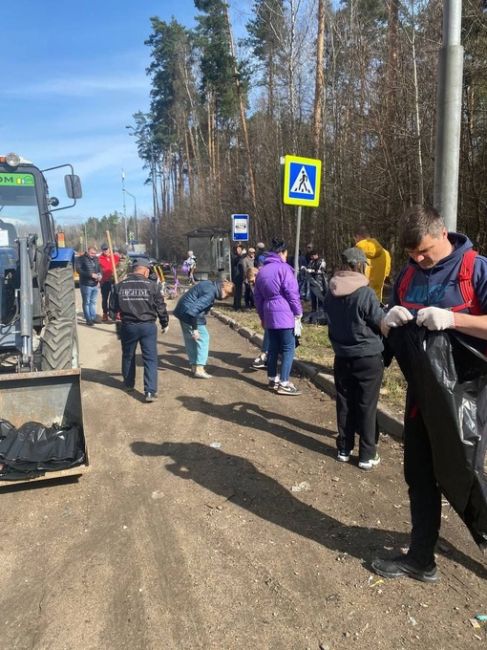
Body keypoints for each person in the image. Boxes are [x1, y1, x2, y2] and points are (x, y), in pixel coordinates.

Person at [372, 205, 487, 583]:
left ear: (442, 234)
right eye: (411, 254)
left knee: (465, 475)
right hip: (422, 395)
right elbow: (392, 322)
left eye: (424, 251)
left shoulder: (476, 269)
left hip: (468, 397)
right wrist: (387, 322)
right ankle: (421, 558)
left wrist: (453, 319)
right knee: (419, 474)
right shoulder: (407, 276)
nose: (419, 259)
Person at [323, 248, 384, 470]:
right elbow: (380, 321)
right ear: (359, 265)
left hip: (342, 356)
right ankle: (367, 454)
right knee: (367, 405)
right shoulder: (365, 293)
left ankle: (344, 449)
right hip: (367, 357)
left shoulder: (331, 291)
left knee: (345, 403)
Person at [109, 258, 169, 402]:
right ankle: (149, 391)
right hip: (148, 327)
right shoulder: (153, 286)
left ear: (133, 269)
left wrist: (119, 314)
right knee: (150, 358)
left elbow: (112, 312)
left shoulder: (119, 286)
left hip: (128, 326)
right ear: (146, 270)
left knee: (128, 355)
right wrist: (164, 322)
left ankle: (129, 384)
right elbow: (160, 307)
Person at [254, 239, 303, 395]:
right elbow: (292, 293)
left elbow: (257, 297)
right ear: (282, 253)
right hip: (285, 312)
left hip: (269, 312)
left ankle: (272, 379)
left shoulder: (262, 271)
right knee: (288, 349)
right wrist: (298, 312)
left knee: (273, 348)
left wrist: (262, 316)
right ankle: (284, 382)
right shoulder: (284, 269)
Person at [174, 279, 235, 379]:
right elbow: (193, 311)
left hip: (181, 311)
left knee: (191, 339)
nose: (225, 298)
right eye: (227, 295)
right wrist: (195, 329)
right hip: (189, 314)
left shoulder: (209, 284)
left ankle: (194, 366)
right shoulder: (210, 294)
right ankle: (199, 368)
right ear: (223, 289)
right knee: (203, 338)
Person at [354, 225, 391, 303]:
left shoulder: (356, 252)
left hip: (362, 299)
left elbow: (354, 276)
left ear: (358, 237)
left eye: (355, 239)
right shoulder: (386, 254)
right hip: (380, 300)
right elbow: (386, 276)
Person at [78, 246, 101, 326]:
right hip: (86, 284)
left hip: (95, 284)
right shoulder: (81, 259)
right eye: (92, 253)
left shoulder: (96, 259)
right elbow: (79, 271)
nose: (93, 255)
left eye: (94, 253)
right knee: (86, 302)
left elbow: (99, 269)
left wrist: (99, 276)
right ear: (87, 252)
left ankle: (93, 317)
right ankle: (88, 319)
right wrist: (90, 275)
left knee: (93, 302)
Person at [98, 243, 120, 321]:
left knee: (116, 297)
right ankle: (105, 313)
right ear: (102, 250)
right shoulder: (100, 258)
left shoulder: (115, 257)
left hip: (114, 281)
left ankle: (117, 313)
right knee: (105, 299)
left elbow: (122, 262)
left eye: (106, 249)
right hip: (105, 282)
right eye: (104, 249)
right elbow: (98, 269)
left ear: (109, 249)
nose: (105, 251)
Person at [231, 245, 243, 310]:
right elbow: (236, 260)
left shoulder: (239, 257)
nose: (240, 251)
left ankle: (237, 304)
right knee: (237, 291)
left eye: (240, 249)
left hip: (240, 276)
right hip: (236, 276)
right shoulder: (234, 256)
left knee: (239, 292)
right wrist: (240, 255)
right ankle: (237, 306)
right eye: (239, 250)